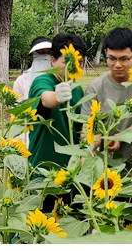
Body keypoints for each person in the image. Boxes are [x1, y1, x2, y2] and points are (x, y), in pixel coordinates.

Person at [81, 27, 132, 173]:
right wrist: (89, 150)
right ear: (105, 53)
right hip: (110, 168)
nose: (117, 65)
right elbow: (93, 130)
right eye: (112, 58)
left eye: (124, 59)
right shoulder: (95, 88)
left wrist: (122, 136)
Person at [28, 33, 87, 169]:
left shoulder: (77, 90)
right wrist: (57, 97)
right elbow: (45, 99)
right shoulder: (42, 81)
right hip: (45, 170)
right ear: (53, 61)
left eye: (79, 62)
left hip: (73, 170)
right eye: (68, 62)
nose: (75, 67)